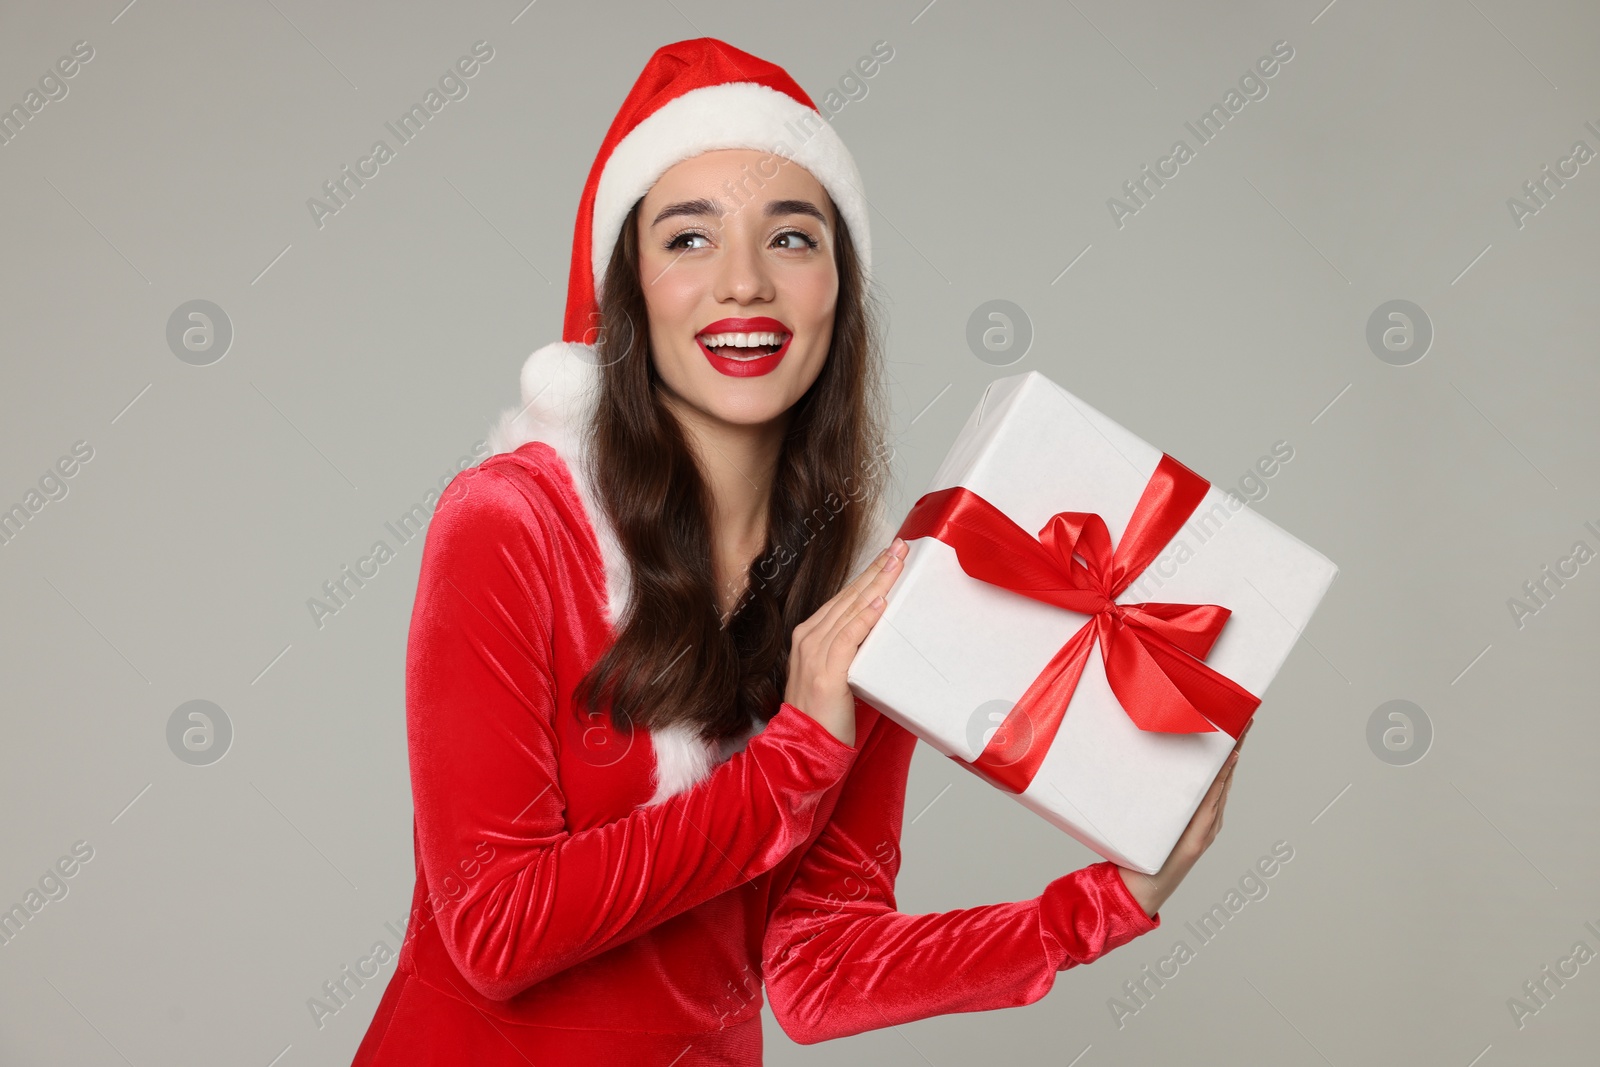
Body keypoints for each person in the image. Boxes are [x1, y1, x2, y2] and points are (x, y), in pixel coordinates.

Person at [351, 37, 1248, 1066]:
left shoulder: (857, 596)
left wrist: (1108, 901)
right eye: (688, 239)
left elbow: (816, 970)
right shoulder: (508, 525)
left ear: (838, 287)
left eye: (792, 238)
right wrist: (794, 761)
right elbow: (495, 929)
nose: (744, 283)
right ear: (629, 290)